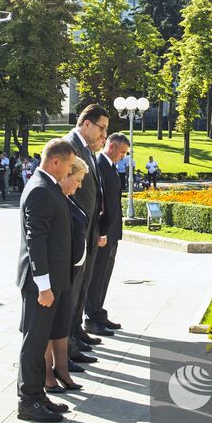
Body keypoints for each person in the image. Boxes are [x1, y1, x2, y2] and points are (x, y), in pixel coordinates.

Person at [16, 138, 75, 423]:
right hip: (41, 284)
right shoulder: (40, 189)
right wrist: (44, 286)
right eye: (68, 165)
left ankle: (38, 396)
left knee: (40, 342)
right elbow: (35, 240)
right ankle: (28, 402)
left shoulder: (48, 185)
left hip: (51, 281)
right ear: (55, 162)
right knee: (34, 341)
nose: (69, 171)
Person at [65, 104, 108, 366]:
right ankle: (66, 342)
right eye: (101, 128)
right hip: (76, 234)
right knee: (72, 290)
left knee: (81, 286)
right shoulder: (70, 146)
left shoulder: (90, 151)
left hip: (88, 232)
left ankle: (76, 332)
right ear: (86, 124)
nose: (104, 134)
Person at [46, 154, 90, 396]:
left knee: (61, 324)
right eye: (78, 179)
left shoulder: (68, 199)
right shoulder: (53, 197)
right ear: (65, 173)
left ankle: (62, 370)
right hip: (56, 273)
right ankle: (48, 375)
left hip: (69, 272)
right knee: (49, 327)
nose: (79, 185)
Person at [85, 132, 129, 335]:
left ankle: (99, 312)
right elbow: (99, 202)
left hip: (112, 233)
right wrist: (101, 231)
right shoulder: (99, 165)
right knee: (97, 275)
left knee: (104, 275)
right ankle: (92, 317)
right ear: (111, 146)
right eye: (121, 152)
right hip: (103, 234)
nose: (122, 156)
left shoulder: (110, 166)